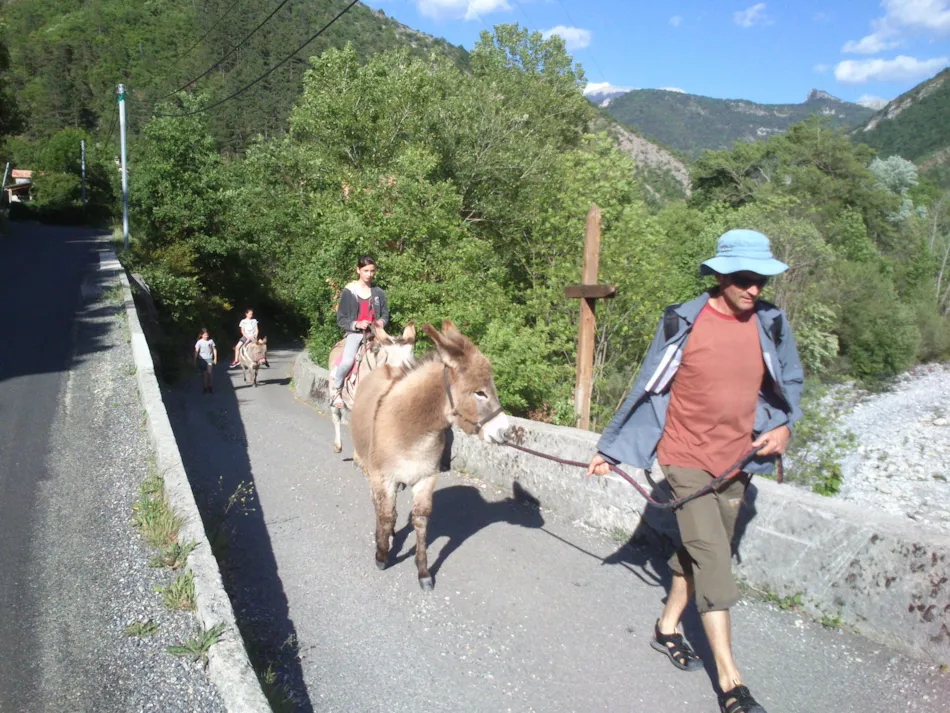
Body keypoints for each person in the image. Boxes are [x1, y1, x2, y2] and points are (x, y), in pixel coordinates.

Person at [587, 229, 803, 713]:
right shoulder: (683, 320)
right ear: (722, 275)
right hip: (682, 457)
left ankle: (666, 628)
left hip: (737, 462)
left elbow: (790, 379)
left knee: (701, 552)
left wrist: (786, 426)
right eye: (747, 279)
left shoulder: (771, 323)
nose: (755, 289)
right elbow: (646, 385)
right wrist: (612, 449)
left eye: (762, 280)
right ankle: (731, 683)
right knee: (713, 556)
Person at [331, 255, 390, 409]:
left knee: (394, 354)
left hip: (376, 333)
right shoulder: (348, 292)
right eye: (365, 271)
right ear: (358, 270)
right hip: (355, 333)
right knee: (347, 360)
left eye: (372, 271)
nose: (369, 274)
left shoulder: (378, 292)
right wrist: (357, 324)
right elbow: (341, 319)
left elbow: (385, 314)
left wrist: (380, 322)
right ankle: (336, 390)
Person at [194, 327, 218, 394]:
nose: (206, 336)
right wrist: (195, 359)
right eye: (205, 335)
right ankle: (205, 387)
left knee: (210, 373)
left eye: (207, 335)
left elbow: (214, 349)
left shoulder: (211, 341)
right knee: (204, 375)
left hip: (209, 359)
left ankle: (210, 386)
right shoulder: (199, 342)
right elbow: (196, 351)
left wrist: (215, 358)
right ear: (201, 335)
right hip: (202, 359)